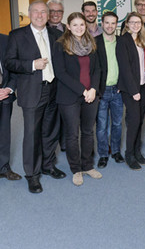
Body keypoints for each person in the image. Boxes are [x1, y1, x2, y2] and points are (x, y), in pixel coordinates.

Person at [6, 0, 66, 193]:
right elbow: (9, 62)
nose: (40, 15)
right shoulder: (16, 35)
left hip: (53, 90)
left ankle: (48, 165)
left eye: (43, 12)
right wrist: (32, 65)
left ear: (48, 15)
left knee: (51, 131)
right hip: (32, 91)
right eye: (36, 12)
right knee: (32, 135)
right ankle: (32, 175)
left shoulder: (57, 35)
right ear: (29, 13)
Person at [53, 12, 102, 186]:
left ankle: (88, 165)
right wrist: (83, 90)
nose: (79, 28)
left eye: (82, 25)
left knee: (88, 131)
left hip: (91, 95)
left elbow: (97, 70)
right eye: (75, 25)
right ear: (68, 27)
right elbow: (61, 73)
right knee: (72, 135)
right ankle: (76, 169)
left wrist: (93, 89)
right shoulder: (60, 45)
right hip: (69, 96)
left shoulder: (91, 43)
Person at [117, 12, 145, 170]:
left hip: (143, 85)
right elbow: (125, 68)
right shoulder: (123, 41)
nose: (136, 25)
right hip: (131, 89)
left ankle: (137, 151)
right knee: (134, 121)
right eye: (133, 22)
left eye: (139, 22)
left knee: (140, 121)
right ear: (127, 24)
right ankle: (129, 154)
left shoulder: (142, 41)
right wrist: (133, 90)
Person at [95, 11, 125, 168]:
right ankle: (103, 154)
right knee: (101, 126)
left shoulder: (121, 42)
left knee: (117, 124)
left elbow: (126, 66)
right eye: (107, 22)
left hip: (117, 90)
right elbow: (92, 69)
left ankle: (116, 151)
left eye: (113, 23)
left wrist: (122, 84)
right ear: (102, 23)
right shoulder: (95, 42)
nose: (110, 26)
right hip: (101, 91)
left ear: (116, 24)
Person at [0, 33, 21, 181]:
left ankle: (3, 167)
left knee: (4, 133)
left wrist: (8, 88)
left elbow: (14, 68)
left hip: (5, 94)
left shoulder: (6, 40)